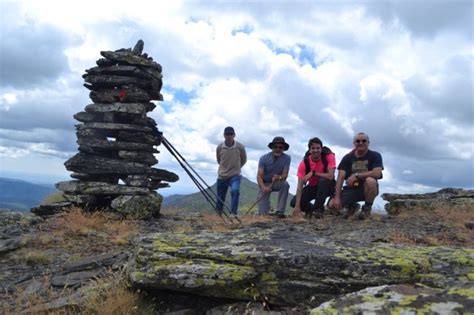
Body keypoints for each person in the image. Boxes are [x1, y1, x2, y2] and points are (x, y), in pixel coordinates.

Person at [330, 132, 383, 220]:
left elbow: (377, 173)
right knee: (332, 205)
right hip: (351, 189)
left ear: (368, 143)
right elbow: (340, 178)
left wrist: (357, 175)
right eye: (358, 141)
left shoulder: (375, 155)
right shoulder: (347, 158)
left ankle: (366, 209)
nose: (361, 143)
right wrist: (337, 198)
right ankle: (352, 206)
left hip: (367, 188)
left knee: (371, 180)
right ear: (354, 143)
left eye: (364, 141)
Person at [292, 137, 336, 219]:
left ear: (321, 149)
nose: (315, 150)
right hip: (313, 186)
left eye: (318, 148)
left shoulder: (329, 156)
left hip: (329, 186)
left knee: (323, 181)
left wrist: (313, 173)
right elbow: (300, 186)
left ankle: (318, 210)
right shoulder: (304, 163)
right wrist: (297, 206)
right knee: (294, 202)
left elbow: (330, 176)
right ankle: (311, 210)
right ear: (309, 150)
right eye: (313, 148)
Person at [256, 136, 291, 218]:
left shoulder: (287, 158)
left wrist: (279, 178)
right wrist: (264, 187)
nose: (278, 149)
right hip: (264, 184)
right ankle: (265, 211)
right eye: (275, 147)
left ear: (283, 148)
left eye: (280, 147)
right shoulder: (263, 158)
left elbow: (285, 175)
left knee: (285, 184)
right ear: (272, 147)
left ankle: (280, 211)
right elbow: (259, 176)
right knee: (263, 214)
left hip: (276, 183)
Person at [215, 126, 247, 215]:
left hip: (235, 175)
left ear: (234, 135)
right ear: (224, 135)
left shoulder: (240, 146)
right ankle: (218, 215)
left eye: (231, 134)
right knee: (220, 197)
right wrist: (224, 168)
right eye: (227, 134)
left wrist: (237, 168)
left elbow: (244, 159)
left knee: (235, 191)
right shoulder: (220, 147)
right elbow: (219, 160)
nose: (229, 136)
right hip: (222, 175)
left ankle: (233, 213)